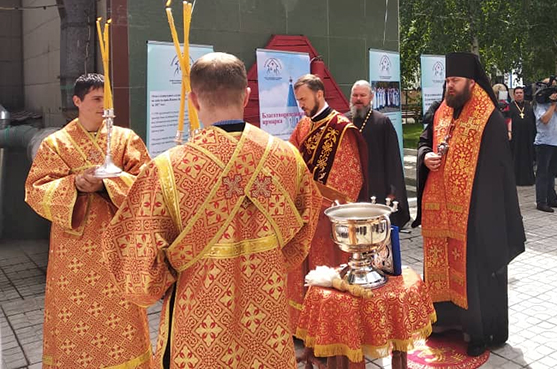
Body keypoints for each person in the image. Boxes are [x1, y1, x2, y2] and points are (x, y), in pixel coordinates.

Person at [104, 53, 321, 367]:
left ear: (193, 100)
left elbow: (135, 264)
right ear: (246, 96)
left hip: (199, 322)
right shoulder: (288, 158)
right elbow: (302, 233)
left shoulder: (166, 169)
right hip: (268, 317)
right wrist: (270, 259)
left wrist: (168, 272)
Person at [25, 73, 152, 369]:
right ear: (77, 101)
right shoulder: (56, 144)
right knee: (73, 315)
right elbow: (35, 189)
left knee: (123, 313)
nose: (103, 106)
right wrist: (76, 185)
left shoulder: (125, 139)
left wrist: (108, 184)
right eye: (96, 99)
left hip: (117, 244)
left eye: (107, 99)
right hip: (74, 252)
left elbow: (147, 184)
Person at [415, 52, 525, 357]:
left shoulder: (489, 118)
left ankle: (480, 331)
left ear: (472, 83)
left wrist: (481, 212)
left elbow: (498, 171)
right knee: (441, 265)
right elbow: (424, 141)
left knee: (474, 273)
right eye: (447, 80)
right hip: (441, 211)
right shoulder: (441, 111)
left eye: (455, 81)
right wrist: (426, 157)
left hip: (473, 214)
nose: (449, 86)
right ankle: (443, 323)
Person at [288, 73, 368, 328]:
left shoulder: (341, 128)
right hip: (303, 212)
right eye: (298, 100)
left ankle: (328, 326)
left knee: (326, 269)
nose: (301, 105)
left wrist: (315, 201)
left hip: (326, 217)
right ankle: (302, 324)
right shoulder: (303, 126)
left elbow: (349, 179)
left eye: (304, 99)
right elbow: (291, 161)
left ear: (319, 94)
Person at [345, 80, 410, 227]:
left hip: (376, 187)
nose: (358, 99)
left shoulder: (382, 122)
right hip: (350, 188)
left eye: (362, 95)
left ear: (371, 97)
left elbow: (392, 158)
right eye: (355, 95)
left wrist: (393, 189)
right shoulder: (344, 121)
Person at [533, 78, 557, 212]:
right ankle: (541, 201)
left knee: (552, 173)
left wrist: (556, 105)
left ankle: (552, 199)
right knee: (542, 173)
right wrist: (552, 106)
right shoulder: (539, 104)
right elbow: (544, 119)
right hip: (544, 142)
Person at [508, 86, 536, 186]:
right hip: (515, 137)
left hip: (527, 136)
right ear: (514, 95)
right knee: (515, 157)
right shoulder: (510, 107)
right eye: (517, 93)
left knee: (528, 157)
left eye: (521, 93)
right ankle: (515, 180)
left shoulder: (528, 106)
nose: (519, 95)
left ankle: (528, 179)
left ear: (523, 94)